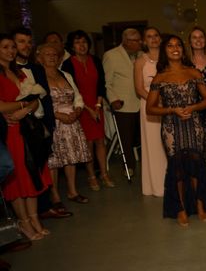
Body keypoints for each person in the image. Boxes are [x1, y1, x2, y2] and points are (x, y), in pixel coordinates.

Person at [146, 35, 206, 227]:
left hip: (194, 124)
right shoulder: (160, 77)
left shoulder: (194, 72)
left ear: (183, 50)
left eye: (178, 45)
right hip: (171, 126)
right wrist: (172, 110)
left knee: (197, 166)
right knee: (177, 169)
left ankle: (201, 206)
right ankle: (181, 209)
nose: (175, 48)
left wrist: (192, 108)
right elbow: (150, 108)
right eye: (170, 46)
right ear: (164, 51)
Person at [0, 34, 52, 241]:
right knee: (18, 177)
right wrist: (23, 105)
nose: (11, 51)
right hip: (10, 131)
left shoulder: (19, 72)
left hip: (27, 128)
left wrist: (25, 108)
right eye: (5, 47)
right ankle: (23, 221)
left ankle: (34, 218)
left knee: (33, 172)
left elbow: (36, 101)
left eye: (13, 47)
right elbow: (1, 106)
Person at [61, 30, 114, 190]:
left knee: (100, 141)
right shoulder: (68, 64)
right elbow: (71, 90)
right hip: (80, 108)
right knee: (88, 144)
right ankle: (91, 176)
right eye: (77, 42)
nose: (82, 45)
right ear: (71, 46)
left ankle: (104, 174)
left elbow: (101, 85)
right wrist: (88, 109)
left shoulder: (96, 60)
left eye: (84, 42)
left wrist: (97, 106)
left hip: (96, 106)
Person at [41, 43, 92, 205]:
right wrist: (57, 115)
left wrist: (77, 111)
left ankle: (72, 191)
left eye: (54, 54)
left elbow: (77, 96)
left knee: (71, 157)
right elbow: (39, 102)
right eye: (47, 54)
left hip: (71, 121)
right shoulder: (38, 77)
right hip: (53, 122)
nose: (52, 57)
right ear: (39, 57)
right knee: (54, 160)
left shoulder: (65, 74)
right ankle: (55, 195)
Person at [102, 28, 142, 176]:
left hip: (141, 102)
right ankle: (129, 167)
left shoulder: (142, 55)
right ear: (125, 41)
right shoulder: (111, 55)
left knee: (141, 137)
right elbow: (107, 82)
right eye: (135, 40)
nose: (139, 43)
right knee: (126, 138)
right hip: (123, 103)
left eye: (139, 40)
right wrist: (113, 100)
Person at [133, 27, 166, 197]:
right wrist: (155, 101)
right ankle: (157, 185)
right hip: (149, 105)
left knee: (169, 143)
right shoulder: (140, 61)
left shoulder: (168, 57)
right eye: (149, 36)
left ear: (160, 38)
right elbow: (139, 88)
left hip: (169, 105)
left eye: (156, 35)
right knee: (153, 144)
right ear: (144, 41)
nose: (153, 39)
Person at [185, 25, 206, 153]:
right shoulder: (184, 62)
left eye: (201, 37)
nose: (198, 40)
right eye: (194, 37)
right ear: (190, 41)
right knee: (196, 148)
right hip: (193, 109)